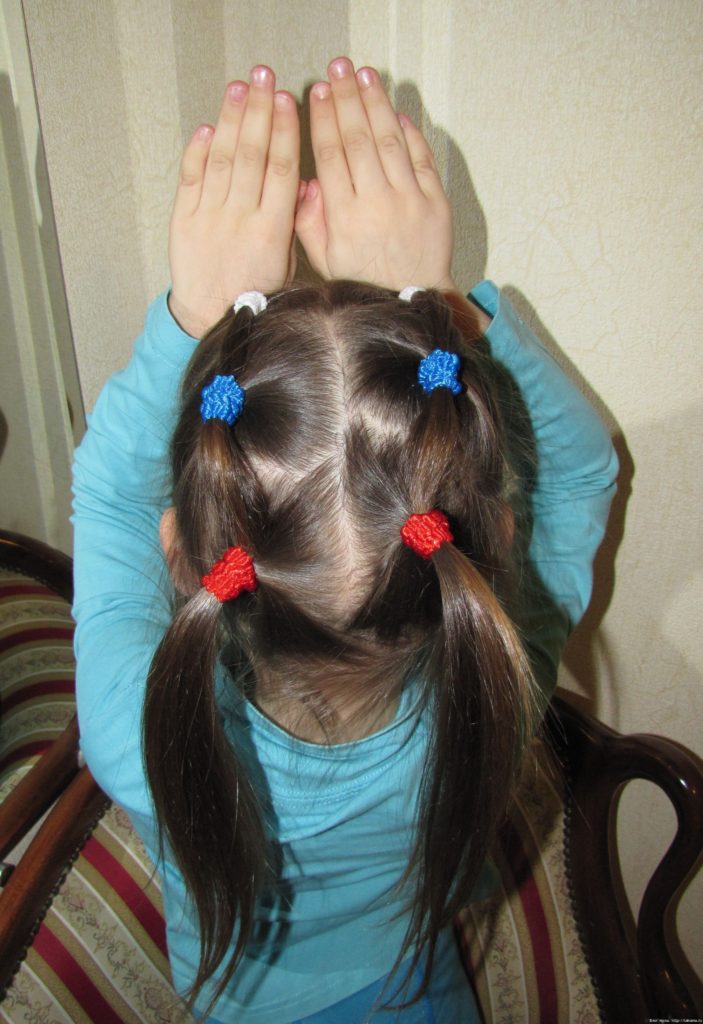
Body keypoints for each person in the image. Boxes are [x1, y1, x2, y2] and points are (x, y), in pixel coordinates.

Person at [72, 57, 618, 1023]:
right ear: (481, 542)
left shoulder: (141, 735)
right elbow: (583, 475)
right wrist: (443, 300)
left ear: (183, 554)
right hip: (420, 984)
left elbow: (106, 498)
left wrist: (192, 315)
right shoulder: (492, 698)